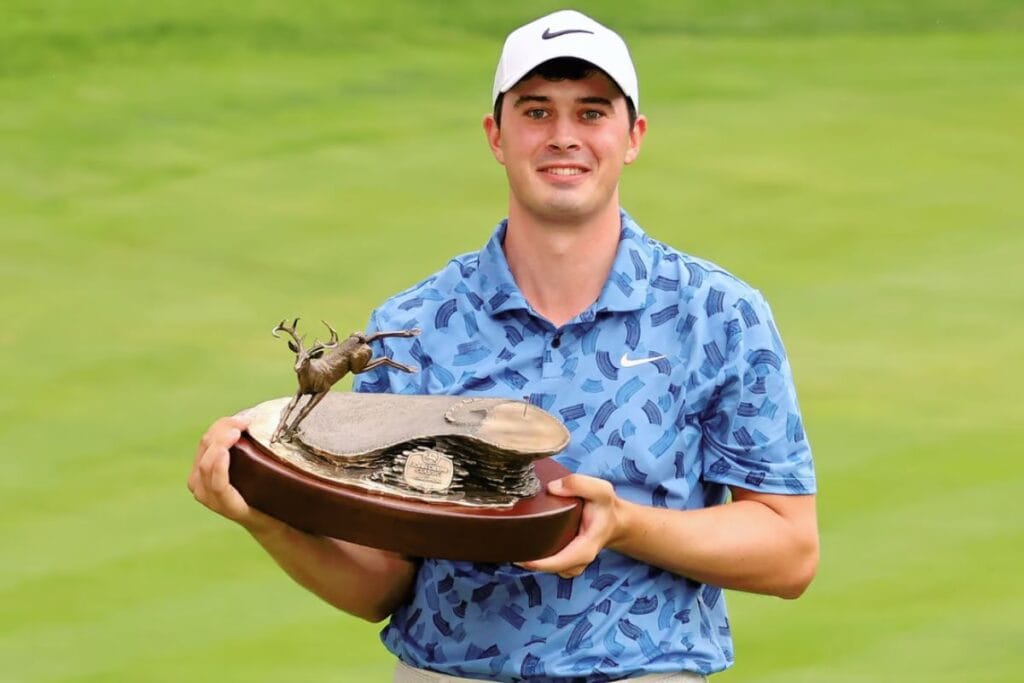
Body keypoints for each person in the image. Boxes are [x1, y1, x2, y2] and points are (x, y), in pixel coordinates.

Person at [189, 9, 818, 682]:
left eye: (592, 112)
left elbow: (789, 551)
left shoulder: (717, 314)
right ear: (497, 134)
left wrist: (624, 524)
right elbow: (382, 585)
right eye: (537, 112)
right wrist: (267, 520)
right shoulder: (416, 324)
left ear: (632, 136)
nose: (564, 137)